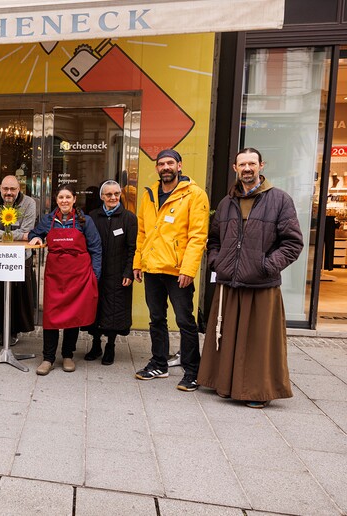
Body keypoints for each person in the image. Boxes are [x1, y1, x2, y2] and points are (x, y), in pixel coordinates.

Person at [198, 148, 303, 408]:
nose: (247, 168)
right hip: (229, 282)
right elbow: (214, 240)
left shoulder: (280, 200)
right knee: (227, 336)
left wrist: (266, 266)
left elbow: (292, 243)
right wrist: (217, 262)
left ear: (261, 166)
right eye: (242, 164)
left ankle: (257, 392)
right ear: (235, 168)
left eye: (252, 164)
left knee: (258, 342)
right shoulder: (226, 202)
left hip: (261, 285)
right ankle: (224, 385)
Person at [133, 149, 209, 392]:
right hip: (153, 268)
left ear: (179, 165)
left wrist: (189, 268)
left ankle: (192, 371)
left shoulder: (194, 195)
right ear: (157, 168)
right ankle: (159, 363)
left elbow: (198, 236)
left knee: (185, 321)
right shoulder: (149, 195)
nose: (166, 167)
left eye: (170, 163)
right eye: (161, 164)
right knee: (157, 319)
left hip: (179, 272)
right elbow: (142, 232)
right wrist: (138, 262)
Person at [28, 184, 102, 375]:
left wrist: (94, 275)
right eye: (61, 197)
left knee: (73, 316)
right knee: (51, 317)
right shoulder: (48, 220)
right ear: (56, 200)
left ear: (74, 199)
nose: (64, 201)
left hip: (79, 275)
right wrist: (35, 237)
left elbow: (95, 248)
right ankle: (48, 358)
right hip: (55, 276)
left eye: (68, 197)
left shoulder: (85, 221)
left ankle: (68, 355)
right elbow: (34, 233)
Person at [85, 180, 138, 365]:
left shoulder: (129, 218)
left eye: (116, 194)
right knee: (96, 309)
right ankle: (96, 344)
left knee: (115, 310)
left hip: (119, 273)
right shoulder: (92, 217)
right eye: (109, 194)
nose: (113, 197)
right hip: (97, 273)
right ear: (102, 197)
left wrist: (128, 272)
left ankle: (111, 346)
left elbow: (133, 248)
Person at [0, 175, 37, 345]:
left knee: (19, 295)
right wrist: (19, 235)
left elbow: (29, 229)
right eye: (5, 189)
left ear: (18, 189)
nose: (9, 193)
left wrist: (4, 234)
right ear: (0, 188)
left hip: (21, 256)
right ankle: (0, 331)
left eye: (13, 189)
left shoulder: (29, 203)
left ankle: (15, 331)